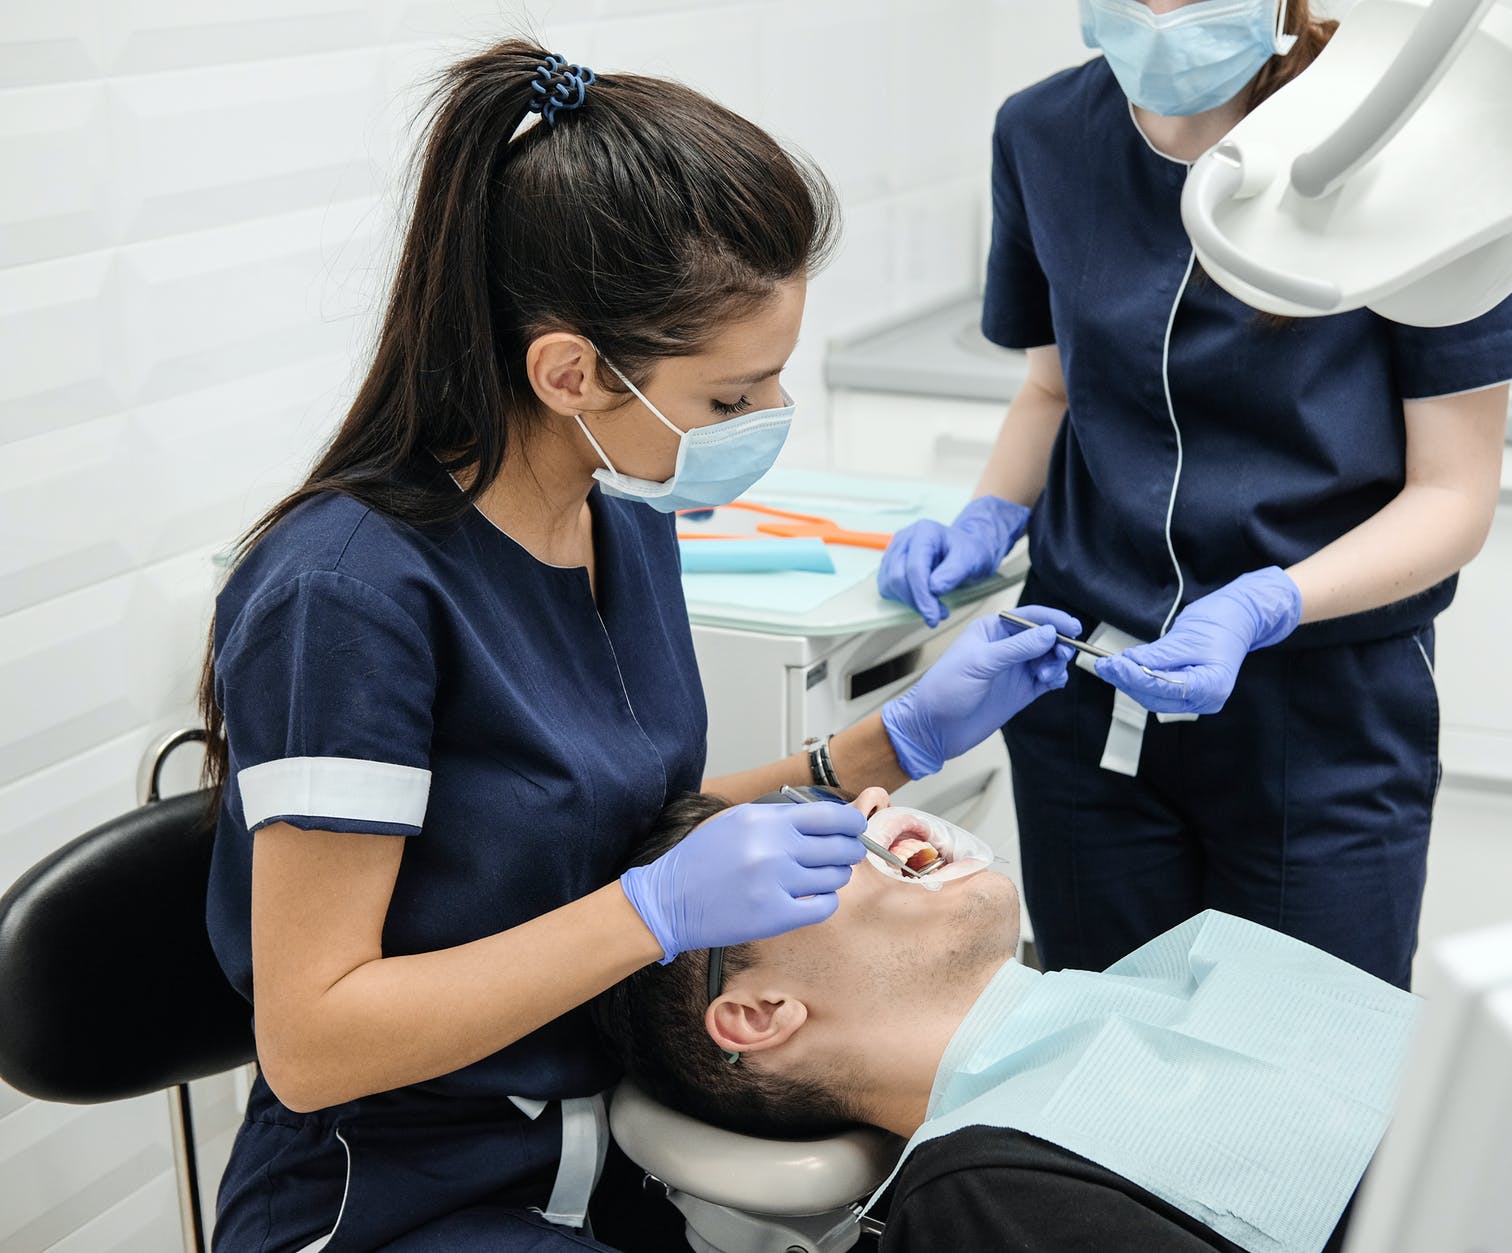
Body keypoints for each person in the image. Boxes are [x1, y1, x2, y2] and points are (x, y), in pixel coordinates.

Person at [199, 41, 1082, 1252]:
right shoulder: (348, 598)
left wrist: (889, 742)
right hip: (393, 1193)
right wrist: (653, 910)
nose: (765, 422)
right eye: (728, 399)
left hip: (603, 1148)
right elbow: (313, 1043)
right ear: (569, 372)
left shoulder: (617, 521)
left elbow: (583, 823)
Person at [877, 0, 1512, 988]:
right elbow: (1050, 385)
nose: (1161, 13)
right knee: (1101, 1069)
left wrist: (1262, 603)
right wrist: (987, 513)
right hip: (1081, 685)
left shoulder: (1420, 147)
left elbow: (1451, 496)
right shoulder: (1040, 131)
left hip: (1319, 709)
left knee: (1304, 1085)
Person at [593, 790, 1417, 1253]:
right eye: (802, 848)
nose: (867, 819)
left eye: (828, 808)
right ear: (759, 1015)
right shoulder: (989, 1196)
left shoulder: (1173, 980)